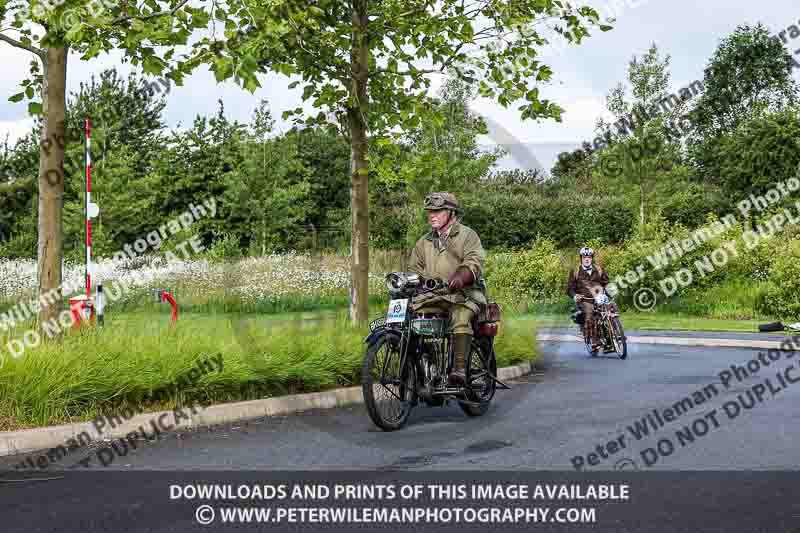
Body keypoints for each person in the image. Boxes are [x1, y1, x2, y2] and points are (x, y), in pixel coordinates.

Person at [409, 192, 487, 387]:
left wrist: (462, 275)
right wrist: (409, 283)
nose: (432, 215)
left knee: (460, 318)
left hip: (464, 295)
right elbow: (414, 269)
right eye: (429, 211)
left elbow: (474, 260)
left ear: (451, 212)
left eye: (438, 211)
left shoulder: (467, 235)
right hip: (433, 297)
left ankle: (459, 370)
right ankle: (426, 368)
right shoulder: (424, 242)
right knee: (410, 320)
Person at [566, 247, 609, 353]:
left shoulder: (599, 269)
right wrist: (574, 296)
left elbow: (606, 282)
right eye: (584, 257)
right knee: (590, 313)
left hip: (599, 297)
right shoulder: (575, 271)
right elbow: (569, 288)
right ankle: (594, 340)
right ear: (581, 258)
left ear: (592, 258)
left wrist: (608, 291)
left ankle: (615, 334)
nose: (587, 259)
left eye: (589, 257)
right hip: (584, 299)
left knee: (611, 309)